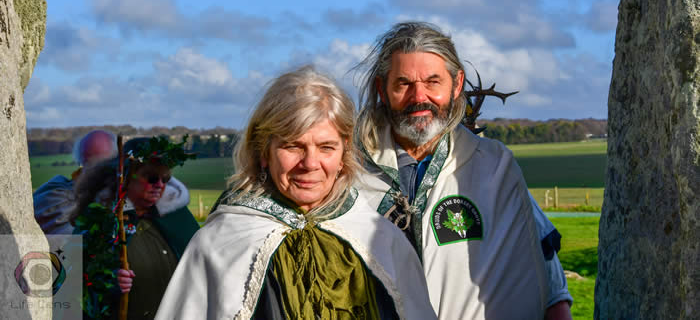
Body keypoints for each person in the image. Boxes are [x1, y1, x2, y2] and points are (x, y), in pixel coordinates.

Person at [155, 66, 436, 320]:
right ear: (264, 152)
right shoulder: (219, 244)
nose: (310, 164)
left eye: (326, 147)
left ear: (344, 153)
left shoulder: (382, 239)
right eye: (293, 146)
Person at [354, 22, 573, 319]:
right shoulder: (348, 172)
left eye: (433, 82)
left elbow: (550, 290)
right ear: (382, 89)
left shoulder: (496, 171)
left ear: (456, 85)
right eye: (403, 83)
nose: (419, 97)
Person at [71, 136, 200, 320]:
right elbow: (71, 284)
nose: (160, 185)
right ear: (127, 175)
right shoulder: (99, 221)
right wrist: (107, 283)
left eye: (165, 179)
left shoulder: (176, 217)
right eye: (152, 178)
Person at [33, 129, 117, 234]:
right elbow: (72, 241)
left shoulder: (122, 195)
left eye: (103, 164)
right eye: (91, 164)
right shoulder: (57, 197)